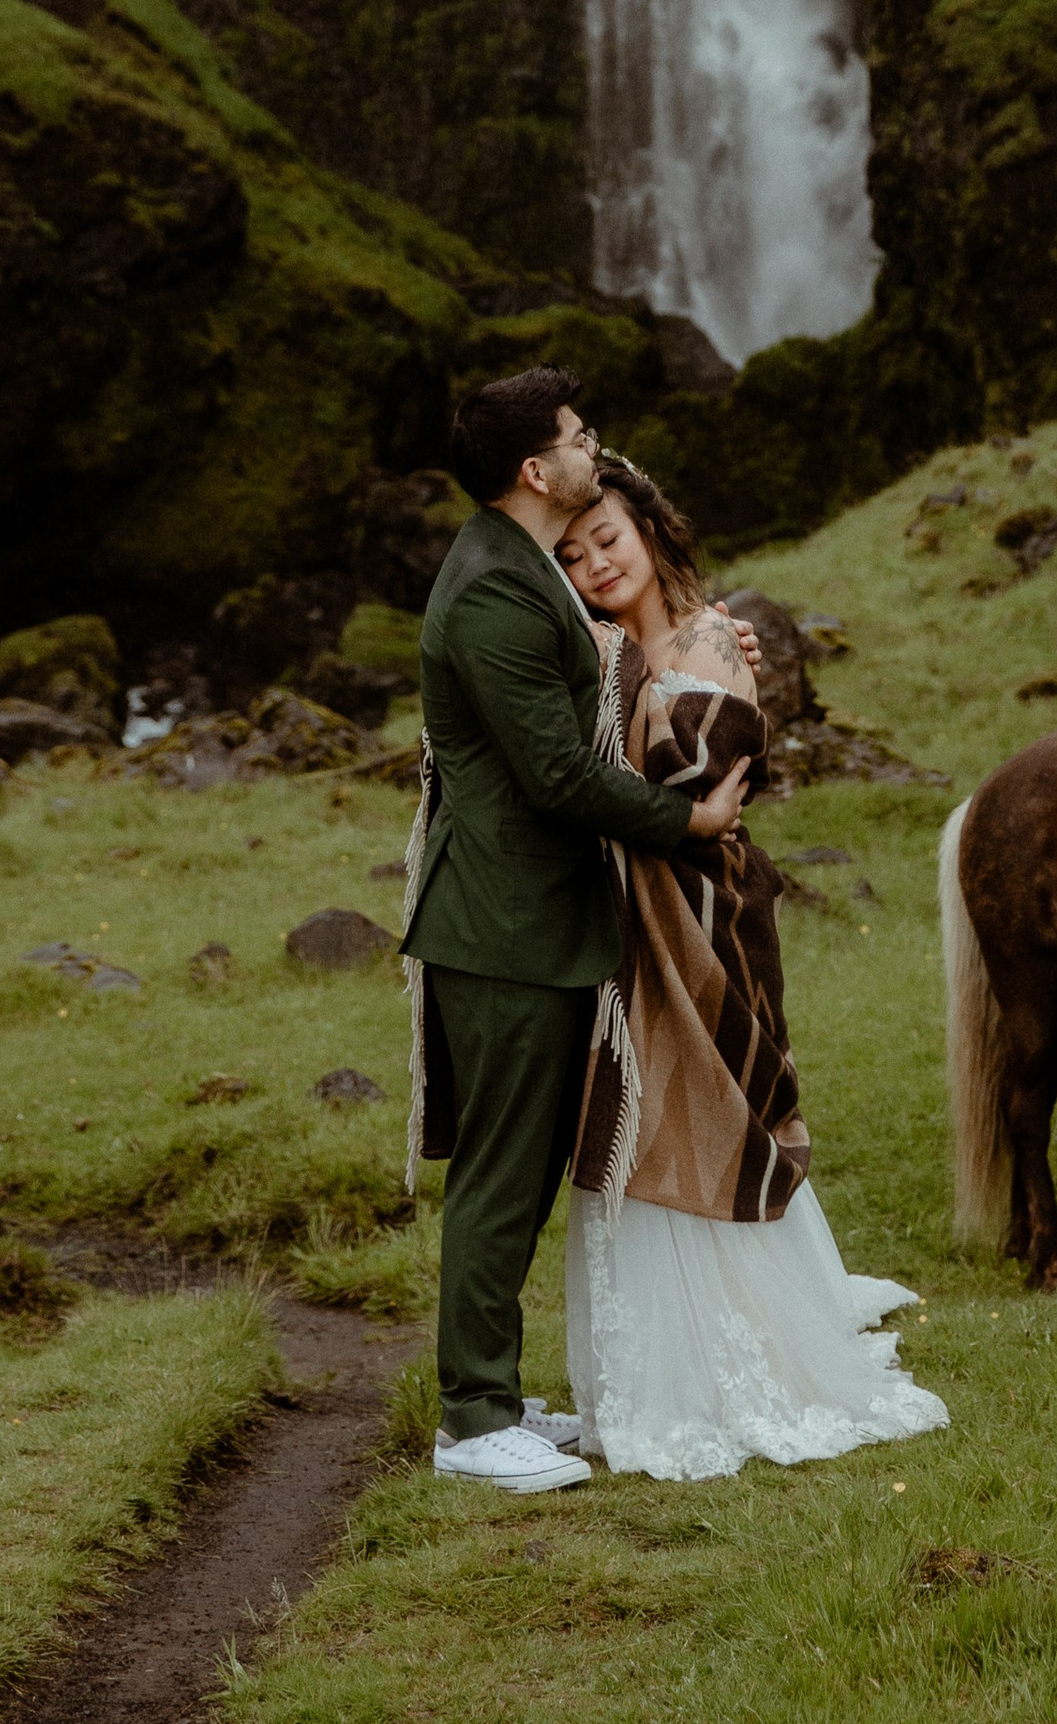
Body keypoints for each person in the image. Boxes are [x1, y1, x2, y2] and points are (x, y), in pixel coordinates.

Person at [555, 455, 948, 1481]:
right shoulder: (605, 651)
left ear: (647, 529)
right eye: (572, 553)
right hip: (621, 926)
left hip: (699, 918)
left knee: (709, 1102)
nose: (596, 562)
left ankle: (742, 1348)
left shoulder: (705, 643)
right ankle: (652, 1364)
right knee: (631, 1115)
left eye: (607, 539)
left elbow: (689, 778)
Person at [400, 367, 754, 1495]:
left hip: (535, 919)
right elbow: (554, 773)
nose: (592, 445)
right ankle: (471, 1421)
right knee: (501, 1175)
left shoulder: (516, 571)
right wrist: (685, 818)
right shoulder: (494, 594)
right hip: (504, 924)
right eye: (577, 434)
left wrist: (695, 642)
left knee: (526, 1165)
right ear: (534, 469)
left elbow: (601, 683)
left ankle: (494, 1396)